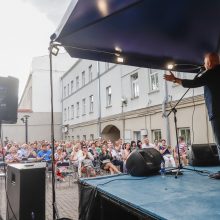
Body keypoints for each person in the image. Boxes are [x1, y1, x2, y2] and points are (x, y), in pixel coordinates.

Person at [164, 52, 220, 177]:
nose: (204, 66)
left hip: (217, 113)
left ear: (209, 63)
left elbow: (194, 83)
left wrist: (175, 79)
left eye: (205, 63)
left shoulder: (211, 73)